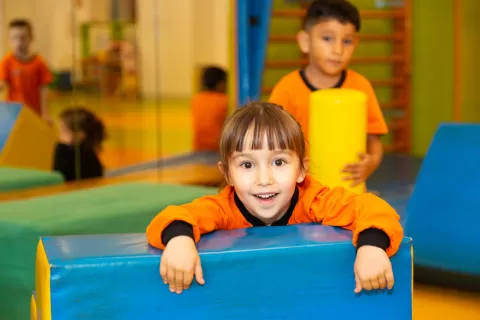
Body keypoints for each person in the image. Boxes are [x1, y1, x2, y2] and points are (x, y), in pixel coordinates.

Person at [146, 102, 403, 295]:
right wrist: (180, 241)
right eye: (247, 165)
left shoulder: (314, 200)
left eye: (278, 162)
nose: (264, 178)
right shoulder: (223, 207)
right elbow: (174, 216)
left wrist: (371, 246)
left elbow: (371, 206)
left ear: (302, 170)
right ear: (228, 174)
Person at [269, 0, 388, 187]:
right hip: (299, 189)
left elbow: (373, 139)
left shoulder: (360, 87)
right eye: (327, 38)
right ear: (305, 41)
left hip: (346, 188)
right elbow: (270, 142)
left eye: (347, 41)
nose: (338, 50)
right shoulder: (287, 89)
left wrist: (370, 163)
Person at [0, 19, 53, 121]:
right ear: (9, 41)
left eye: (23, 38)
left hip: (34, 111)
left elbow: (44, 90)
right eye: (14, 38)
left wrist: (45, 113)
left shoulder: (39, 63)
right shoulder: (6, 62)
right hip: (13, 112)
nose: (18, 42)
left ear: (31, 38)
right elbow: (2, 84)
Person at [53, 107, 106, 182]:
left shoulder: (83, 154)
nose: (59, 135)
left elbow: (59, 177)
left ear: (80, 134)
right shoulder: (86, 149)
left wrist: (61, 148)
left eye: (63, 131)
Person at [191, 66, 228, 152]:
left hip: (198, 148)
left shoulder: (196, 98)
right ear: (220, 84)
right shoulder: (224, 100)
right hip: (216, 149)